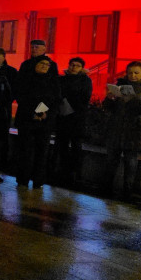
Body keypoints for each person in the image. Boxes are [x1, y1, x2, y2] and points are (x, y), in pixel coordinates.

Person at [102, 61, 141, 198]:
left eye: (136, 72)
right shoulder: (121, 84)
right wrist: (109, 99)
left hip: (135, 130)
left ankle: (127, 192)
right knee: (111, 161)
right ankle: (106, 189)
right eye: (130, 72)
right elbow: (109, 107)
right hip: (117, 128)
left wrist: (134, 98)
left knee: (131, 162)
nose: (132, 75)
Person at [13, 57, 61, 189]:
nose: (45, 66)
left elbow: (56, 100)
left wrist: (45, 113)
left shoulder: (53, 82)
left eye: (47, 64)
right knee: (26, 151)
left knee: (42, 153)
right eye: (42, 64)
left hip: (45, 123)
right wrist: (32, 113)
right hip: (27, 120)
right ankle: (23, 178)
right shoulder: (27, 80)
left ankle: (38, 180)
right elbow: (22, 97)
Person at [54, 57, 92, 185]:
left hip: (77, 118)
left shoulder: (85, 80)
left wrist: (70, 101)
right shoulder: (62, 79)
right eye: (72, 65)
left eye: (77, 65)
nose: (74, 67)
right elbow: (56, 94)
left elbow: (85, 98)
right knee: (62, 145)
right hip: (63, 117)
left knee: (76, 146)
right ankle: (62, 171)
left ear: (82, 68)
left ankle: (75, 173)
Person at [0, 48, 17, 167]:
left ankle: (3, 160)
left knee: (3, 134)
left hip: (4, 109)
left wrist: (5, 102)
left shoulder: (11, 71)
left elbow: (13, 90)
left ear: (4, 56)